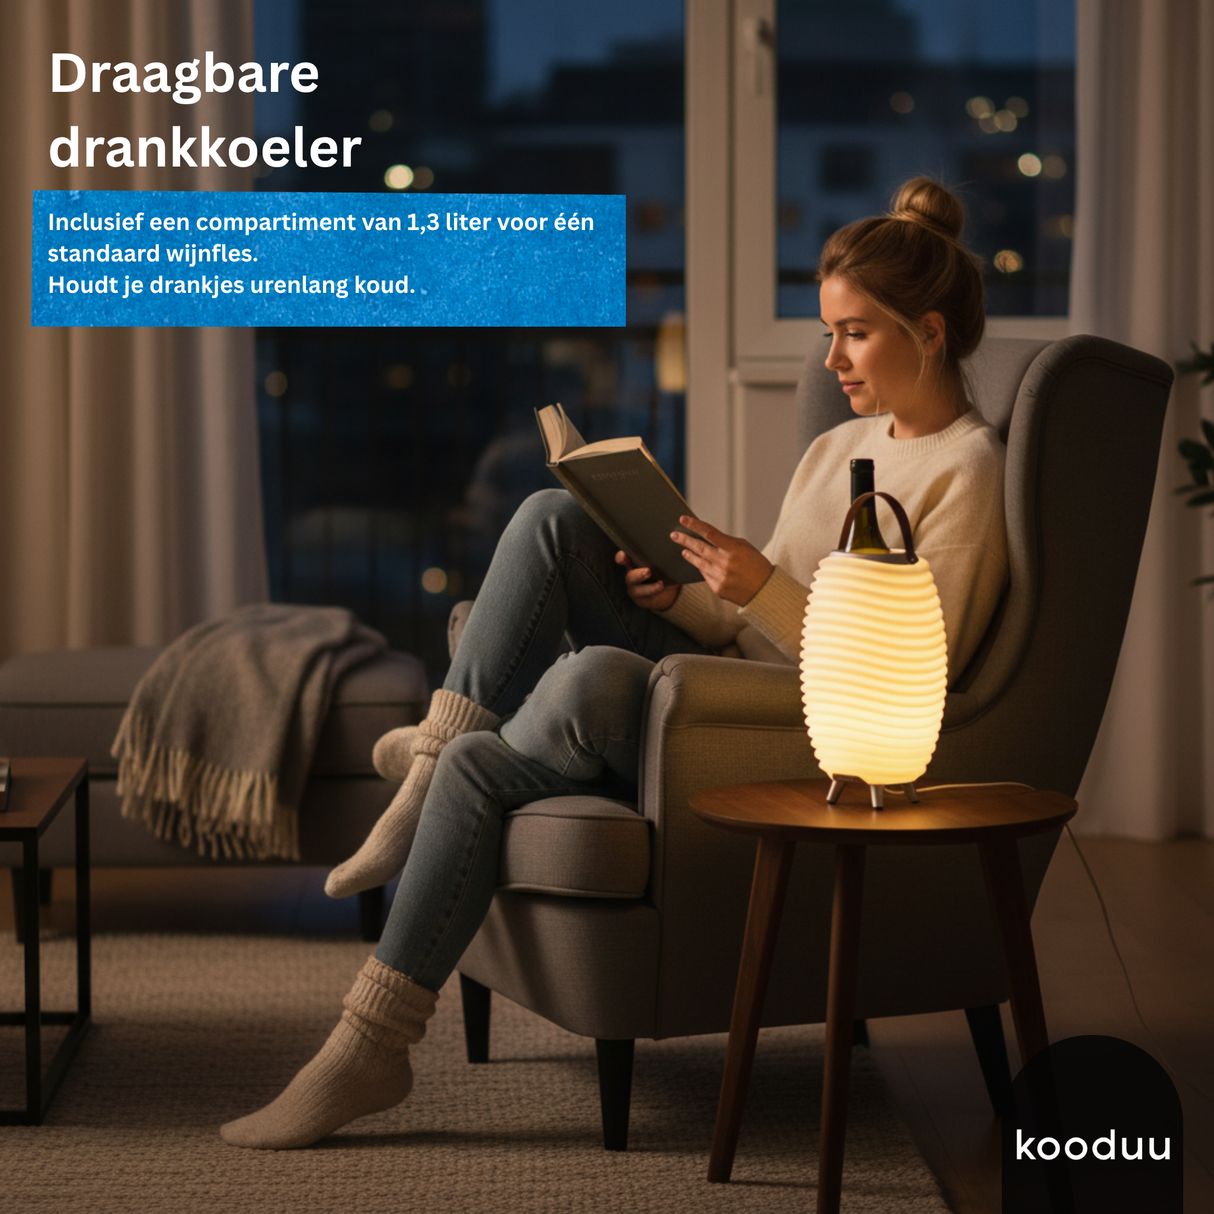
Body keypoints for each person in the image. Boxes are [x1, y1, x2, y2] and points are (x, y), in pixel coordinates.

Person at [219, 176, 1008, 1150]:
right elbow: (737, 629)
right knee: (557, 518)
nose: (830, 357)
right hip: (722, 676)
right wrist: (681, 594)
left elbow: (917, 680)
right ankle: (423, 815)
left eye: (852, 332)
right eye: (825, 332)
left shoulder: (966, 471)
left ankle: (470, 744)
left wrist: (758, 582)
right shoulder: (836, 447)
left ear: (926, 330)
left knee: (585, 680)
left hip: (793, 727)